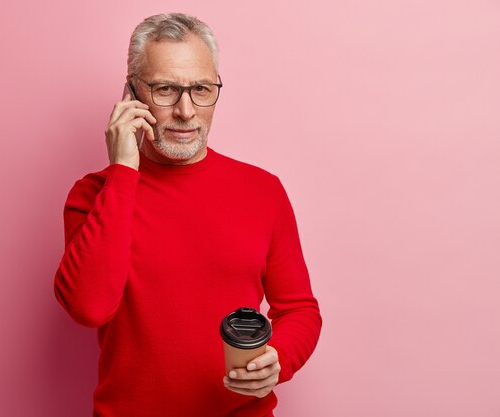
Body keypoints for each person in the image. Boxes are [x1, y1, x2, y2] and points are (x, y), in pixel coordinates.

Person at [54, 13, 322, 417]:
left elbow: (299, 309)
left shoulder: (263, 191)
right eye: (165, 89)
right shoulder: (93, 195)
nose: (185, 110)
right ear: (131, 95)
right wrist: (124, 172)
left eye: (200, 89)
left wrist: (278, 359)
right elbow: (89, 307)